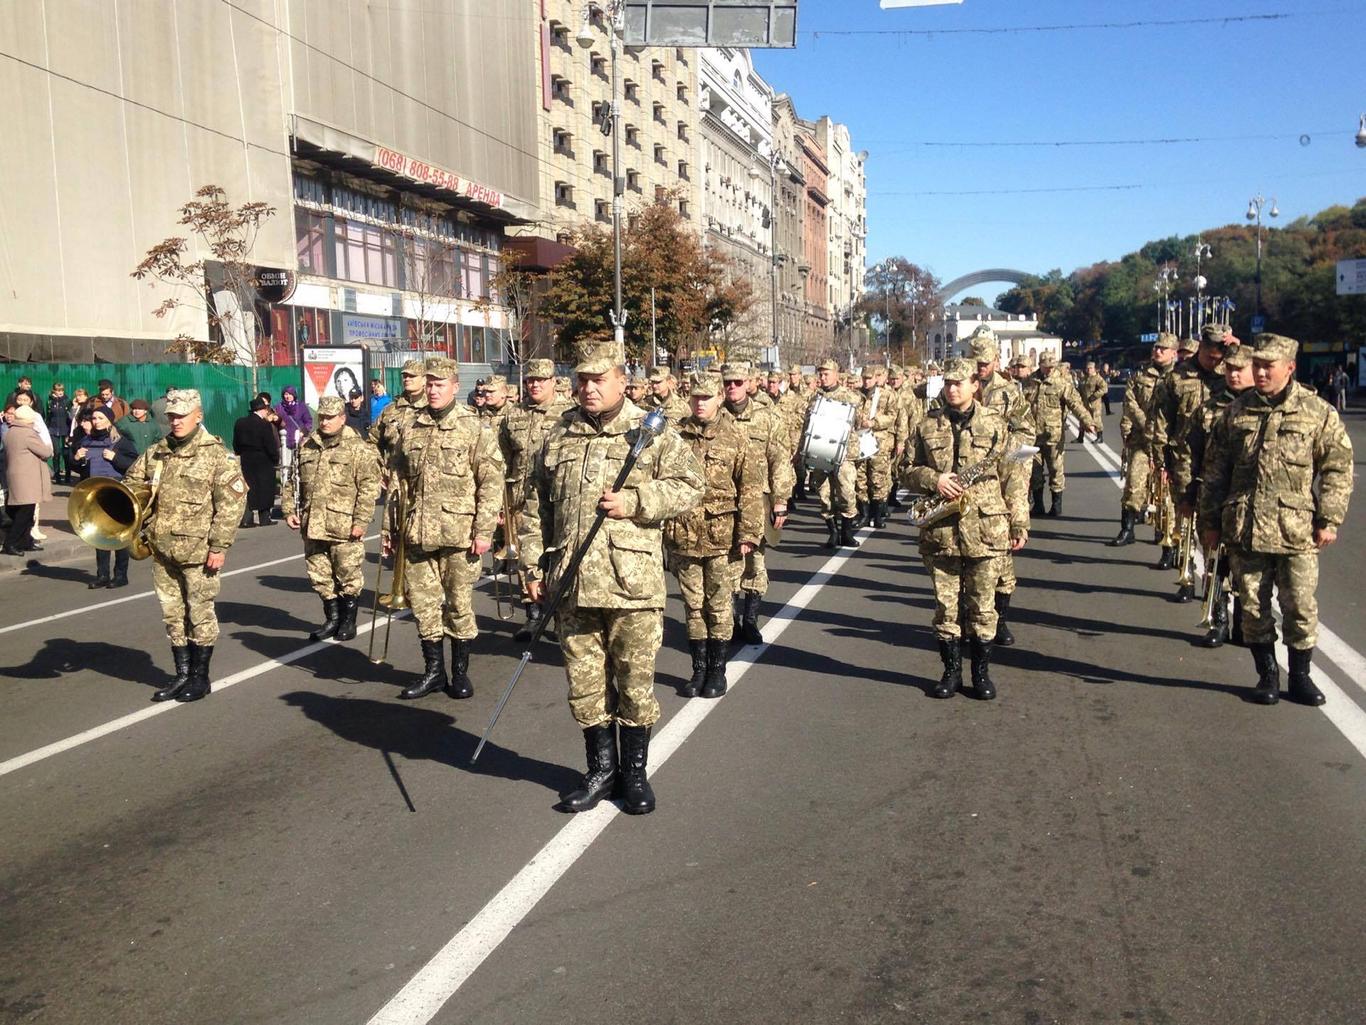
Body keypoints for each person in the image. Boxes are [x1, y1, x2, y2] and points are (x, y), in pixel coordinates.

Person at [518, 341, 703, 815]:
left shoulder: (650, 431)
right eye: (582, 379)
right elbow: (536, 505)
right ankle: (600, 771)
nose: (588, 387)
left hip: (631, 584)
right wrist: (533, 565)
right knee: (585, 684)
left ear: (623, 380)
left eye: (599, 379)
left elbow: (689, 486)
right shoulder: (560, 434)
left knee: (635, 684)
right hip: (572, 584)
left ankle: (634, 774)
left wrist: (636, 502)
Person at [1199, 334, 1354, 706]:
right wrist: (1210, 522)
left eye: (1269, 365)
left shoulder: (1317, 412)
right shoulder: (1236, 413)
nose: (1261, 372)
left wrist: (1329, 518)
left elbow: (1338, 468)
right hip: (1245, 528)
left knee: (1300, 606)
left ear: (1290, 367)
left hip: (1295, 530)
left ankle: (1300, 677)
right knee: (1252, 608)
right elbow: (1215, 470)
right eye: (1258, 365)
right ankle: (1267, 675)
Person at [903, 358, 1028, 700]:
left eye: (959, 382)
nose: (952, 388)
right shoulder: (926, 424)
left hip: (986, 531)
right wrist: (934, 479)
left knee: (983, 608)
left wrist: (1019, 521)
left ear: (976, 384)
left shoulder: (997, 424)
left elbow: (1014, 477)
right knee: (946, 608)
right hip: (942, 532)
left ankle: (980, 673)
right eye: (947, 382)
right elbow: (906, 469)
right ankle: (951, 672)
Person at [121, 389, 248, 701]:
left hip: (199, 553)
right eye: (171, 416)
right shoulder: (157, 452)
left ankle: (200, 678)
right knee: (172, 615)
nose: (175, 421)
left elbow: (231, 505)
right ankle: (181, 674)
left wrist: (219, 547)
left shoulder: (217, 455)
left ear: (198, 416)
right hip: (162, 550)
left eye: (181, 416)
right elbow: (130, 486)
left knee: (199, 614)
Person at [390, 356, 504, 701]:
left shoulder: (474, 426)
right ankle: (433, 672)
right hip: (417, 533)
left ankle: (459, 672)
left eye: (440, 384)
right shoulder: (412, 425)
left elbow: (491, 481)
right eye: (429, 384)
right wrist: (390, 531)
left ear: (455, 387)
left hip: (459, 535)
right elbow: (398, 481)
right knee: (424, 607)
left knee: (458, 604)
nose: (433, 390)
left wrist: (484, 531)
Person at [667, 372, 763, 697]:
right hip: (684, 535)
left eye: (706, 398)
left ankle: (717, 671)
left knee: (719, 605)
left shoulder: (736, 436)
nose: (700, 403)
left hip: (723, 538)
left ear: (720, 398)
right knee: (693, 605)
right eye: (695, 397)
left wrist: (748, 532)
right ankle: (698, 670)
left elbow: (749, 487)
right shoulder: (676, 435)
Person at [285, 395, 381, 642]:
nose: (325, 422)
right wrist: (289, 509)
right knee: (320, 576)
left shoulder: (358, 447)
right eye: (322, 417)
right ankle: (332, 618)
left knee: (347, 573)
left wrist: (361, 521)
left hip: (344, 525)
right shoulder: (308, 444)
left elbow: (370, 487)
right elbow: (293, 480)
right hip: (313, 524)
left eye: (330, 417)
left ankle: (348, 621)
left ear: (342, 418)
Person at [1183, 342, 1254, 647]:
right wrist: (1186, 495)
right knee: (1215, 562)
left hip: (1250, 503)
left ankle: (1243, 624)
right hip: (1213, 498)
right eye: (1229, 369)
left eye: (1240, 369)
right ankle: (1218, 620)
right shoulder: (1209, 409)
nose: (1233, 375)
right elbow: (1190, 454)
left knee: (1248, 569)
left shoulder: (1264, 410)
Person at [968, 329, 1035, 647]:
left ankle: (1001, 620)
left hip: (1001, 479)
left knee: (1003, 561)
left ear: (995, 360)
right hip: (968, 481)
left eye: (984, 362)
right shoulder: (960, 387)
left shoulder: (1009, 392)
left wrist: (1014, 462)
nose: (980, 367)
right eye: (976, 361)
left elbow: (1027, 431)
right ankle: (973, 620)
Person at [1150, 322, 1227, 597]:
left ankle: (1214, 588)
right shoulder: (1177, 377)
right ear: (1202, 345)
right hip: (1183, 460)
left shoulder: (1232, 374)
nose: (1216, 356)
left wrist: (1238, 346)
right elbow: (1160, 422)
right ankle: (1186, 575)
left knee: (1214, 529)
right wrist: (1160, 462)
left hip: (1221, 463)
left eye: (1222, 350)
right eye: (1212, 349)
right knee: (1186, 521)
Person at [499, 358, 573, 641]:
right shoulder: (513, 414)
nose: (535, 385)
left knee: (557, 555)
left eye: (541, 380)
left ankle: (560, 615)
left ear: (553, 381)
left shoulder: (568, 413)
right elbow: (503, 455)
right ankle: (532, 616)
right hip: (521, 497)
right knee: (526, 556)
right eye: (530, 380)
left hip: (556, 497)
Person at [721, 362, 793, 643]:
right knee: (727, 564)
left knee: (755, 562)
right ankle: (731, 622)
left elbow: (780, 460)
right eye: (728, 382)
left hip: (759, 500)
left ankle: (750, 620)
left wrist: (781, 500)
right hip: (724, 501)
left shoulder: (767, 417)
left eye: (738, 382)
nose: (732, 387)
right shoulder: (717, 416)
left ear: (748, 382)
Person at [1108, 334, 1177, 548]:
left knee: (1167, 492)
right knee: (1134, 483)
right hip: (1142, 441)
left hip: (1169, 443)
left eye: (1163, 349)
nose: (1157, 351)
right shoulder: (1140, 375)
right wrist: (1147, 426)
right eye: (1156, 347)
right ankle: (1127, 528)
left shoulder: (1181, 377)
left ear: (1174, 352)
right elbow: (1129, 402)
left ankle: (1164, 532)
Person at [1019, 350, 1096, 516]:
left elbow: (1075, 404)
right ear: (1040, 365)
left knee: (1055, 470)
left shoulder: (1061, 383)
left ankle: (1056, 505)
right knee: (1034, 471)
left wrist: (1087, 421)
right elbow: (1020, 405)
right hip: (1031, 436)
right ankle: (1038, 505)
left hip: (1053, 436)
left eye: (1051, 367)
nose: (1048, 370)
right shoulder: (1030, 382)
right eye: (1045, 367)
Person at [74, 406, 140, 586]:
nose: (96, 421)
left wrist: (115, 457)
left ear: (109, 420)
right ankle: (102, 575)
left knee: (120, 535)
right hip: (96, 494)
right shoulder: (86, 440)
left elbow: (135, 466)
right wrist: (76, 458)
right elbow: (77, 467)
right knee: (100, 534)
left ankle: (120, 576)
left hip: (119, 494)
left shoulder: (121, 441)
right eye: (94, 418)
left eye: (100, 418)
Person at [802, 358, 863, 549]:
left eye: (827, 373)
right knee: (824, 495)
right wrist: (801, 452)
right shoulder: (815, 398)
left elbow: (859, 423)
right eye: (820, 373)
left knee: (846, 493)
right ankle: (833, 533)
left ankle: (847, 532)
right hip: (820, 452)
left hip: (843, 453)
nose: (823, 377)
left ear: (836, 375)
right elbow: (807, 426)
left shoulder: (851, 397)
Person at [3, 404, 52, 556]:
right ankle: (10, 543)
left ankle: (26, 541)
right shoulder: (27, 433)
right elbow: (46, 452)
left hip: (16, 475)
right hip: (27, 477)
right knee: (25, 512)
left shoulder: (10, 432)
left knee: (23, 510)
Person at [368, 360, 427, 468]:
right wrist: (379, 468)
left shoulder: (431, 409)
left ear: (424, 380)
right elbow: (372, 440)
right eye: (405, 376)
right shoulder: (390, 410)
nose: (407, 379)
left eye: (412, 376)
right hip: (394, 480)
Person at [233, 397, 281, 527]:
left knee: (248, 487)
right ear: (263, 410)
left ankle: (247, 519)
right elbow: (270, 444)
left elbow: (236, 443)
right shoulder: (264, 424)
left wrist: (240, 453)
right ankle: (264, 518)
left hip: (246, 458)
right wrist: (275, 458)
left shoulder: (240, 423)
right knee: (265, 488)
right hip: (263, 459)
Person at [275, 384, 313, 496]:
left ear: (294, 395)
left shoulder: (301, 407)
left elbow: (308, 421)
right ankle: (285, 488)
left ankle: (299, 487)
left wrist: (303, 432)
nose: (287, 396)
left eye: (290, 394)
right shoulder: (279, 407)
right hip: (284, 441)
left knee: (298, 465)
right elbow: (275, 421)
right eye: (286, 394)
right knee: (285, 465)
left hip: (299, 441)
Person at [45, 382, 72, 484]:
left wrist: (70, 433)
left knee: (66, 453)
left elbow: (70, 416)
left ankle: (68, 476)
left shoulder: (67, 401)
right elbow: (48, 416)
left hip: (65, 430)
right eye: (58, 390)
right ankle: (57, 476)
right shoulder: (50, 401)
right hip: (53, 429)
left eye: (61, 390)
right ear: (54, 391)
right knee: (57, 453)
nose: (60, 392)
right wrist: (46, 428)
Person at [1077, 362, 1108, 443]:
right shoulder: (1084, 379)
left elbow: (1104, 388)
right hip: (1085, 402)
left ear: (1094, 369)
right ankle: (1080, 437)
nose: (1088, 370)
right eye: (1087, 368)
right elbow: (1080, 389)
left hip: (1095, 403)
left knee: (1096, 419)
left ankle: (1100, 437)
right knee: (1083, 419)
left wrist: (1095, 396)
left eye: (1090, 368)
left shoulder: (1098, 378)